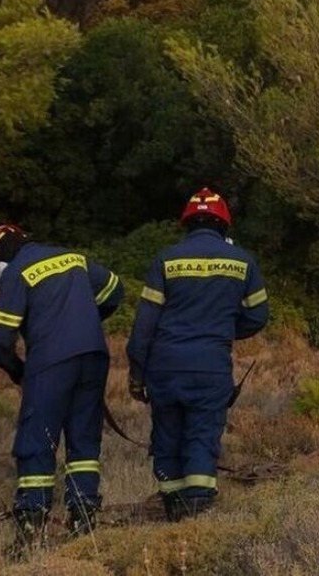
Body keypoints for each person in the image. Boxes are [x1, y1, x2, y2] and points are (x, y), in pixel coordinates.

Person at [0, 223, 124, 548]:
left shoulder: (16, 273)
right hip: (95, 355)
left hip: (51, 361)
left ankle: (30, 528)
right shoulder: (73, 258)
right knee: (83, 440)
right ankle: (84, 519)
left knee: (36, 439)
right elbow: (115, 290)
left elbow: (0, 339)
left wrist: (18, 371)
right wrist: (83, 319)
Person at [126, 187, 269, 521]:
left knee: (167, 439)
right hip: (211, 367)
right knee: (202, 438)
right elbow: (258, 315)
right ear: (224, 224)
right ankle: (198, 517)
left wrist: (136, 375)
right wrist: (222, 331)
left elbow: (143, 328)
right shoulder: (243, 262)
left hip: (164, 367)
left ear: (187, 223)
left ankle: (174, 516)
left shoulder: (166, 260)